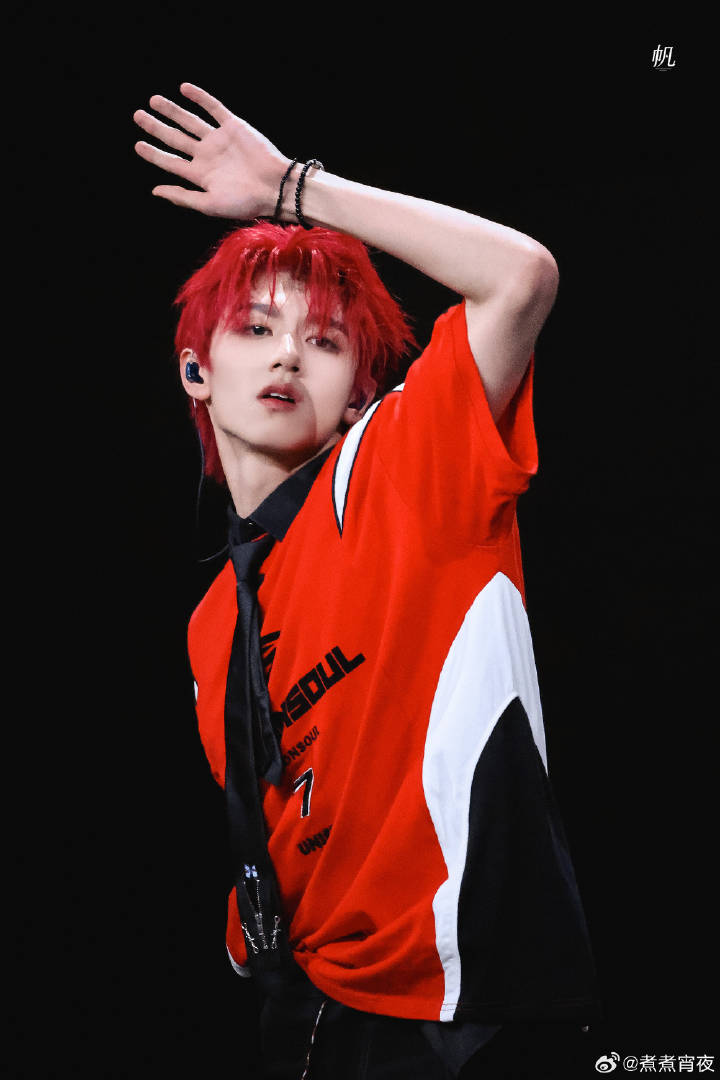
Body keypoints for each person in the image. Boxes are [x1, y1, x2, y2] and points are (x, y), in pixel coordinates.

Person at [133, 83, 601, 1079]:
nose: (289, 354)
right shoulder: (212, 622)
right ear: (195, 371)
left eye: (326, 340)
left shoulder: (398, 468)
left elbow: (519, 277)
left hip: (460, 1018)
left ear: (359, 394)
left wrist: (290, 188)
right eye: (255, 328)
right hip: (308, 1019)